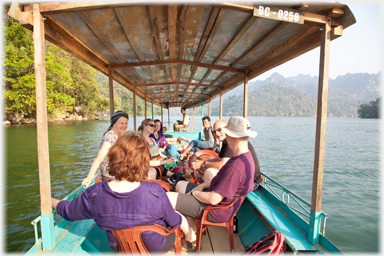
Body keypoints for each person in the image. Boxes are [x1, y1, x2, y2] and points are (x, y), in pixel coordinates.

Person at [52, 131, 182, 253]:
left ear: (114, 158)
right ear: (143, 162)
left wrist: (50, 201)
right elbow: (175, 222)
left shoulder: (95, 193)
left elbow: (68, 211)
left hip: (119, 246)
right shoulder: (155, 191)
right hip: (155, 247)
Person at [167, 116, 257, 251]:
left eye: (226, 134)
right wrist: (203, 185)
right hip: (215, 197)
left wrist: (195, 193)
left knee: (167, 198)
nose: (224, 137)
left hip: (215, 209)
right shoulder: (245, 156)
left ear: (232, 138)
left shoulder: (236, 167)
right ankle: (193, 231)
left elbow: (214, 199)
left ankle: (190, 237)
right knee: (180, 186)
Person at [191, 119, 261, 189]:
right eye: (214, 132)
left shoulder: (232, 142)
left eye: (219, 130)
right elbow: (219, 159)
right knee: (209, 172)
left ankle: (207, 190)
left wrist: (203, 164)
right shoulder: (227, 141)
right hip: (242, 177)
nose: (217, 134)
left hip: (251, 181)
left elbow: (221, 165)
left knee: (210, 171)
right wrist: (202, 162)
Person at [82, 110, 128, 186]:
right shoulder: (110, 136)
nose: (124, 126)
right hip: (111, 177)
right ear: (114, 124)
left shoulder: (118, 135)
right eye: (121, 123)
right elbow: (99, 157)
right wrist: (90, 177)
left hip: (118, 175)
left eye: (126, 123)